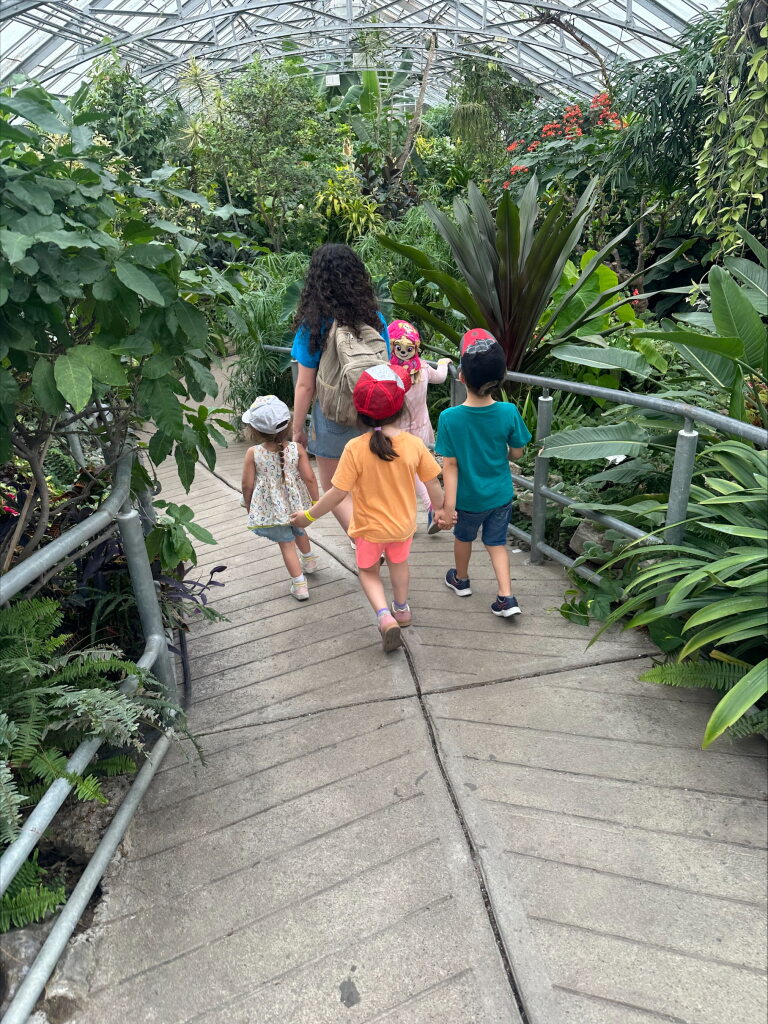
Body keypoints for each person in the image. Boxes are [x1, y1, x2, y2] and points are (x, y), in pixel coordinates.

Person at [291, 364, 445, 652]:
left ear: (359, 413)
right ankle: (402, 609)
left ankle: (384, 617)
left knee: (370, 573)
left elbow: (337, 494)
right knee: (400, 566)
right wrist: (441, 509)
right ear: (401, 408)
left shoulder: (354, 449)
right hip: (402, 527)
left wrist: (308, 516)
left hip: (367, 530)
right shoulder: (413, 444)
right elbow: (433, 483)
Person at [291, 243, 390, 535]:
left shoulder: (313, 325)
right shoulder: (375, 319)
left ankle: (363, 543)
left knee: (334, 488)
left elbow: (306, 385)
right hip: (371, 413)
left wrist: (298, 430)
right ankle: (374, 537)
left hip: (332, 415)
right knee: (366, 482)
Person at [435, 329, 531, 617]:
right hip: (500, 495)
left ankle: (461, 580)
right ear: (500, 378)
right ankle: (506, 597)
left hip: (468, 500)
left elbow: (449, 465)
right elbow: (517, 452)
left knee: (463, 538)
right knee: (497, 543)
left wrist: (448, 506)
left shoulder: (450, 418)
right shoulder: (509, 411)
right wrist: (504, 453)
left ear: (461, 376)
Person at [241, 395, 320, 602]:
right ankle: (310, 562)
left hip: (273, 509)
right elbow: (310, 478)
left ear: (255, 430)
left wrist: (249, 504)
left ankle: (300, 585)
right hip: (296, 504)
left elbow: (247, 484)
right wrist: (315, 503)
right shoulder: (297, 449)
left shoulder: (253, 453)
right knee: (299, 529)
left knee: (286, 544)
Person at [388, 319, 452, 534]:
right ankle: (433, 507)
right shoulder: (423, 367)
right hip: (422, 430)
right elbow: (441, 378)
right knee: (424, 471)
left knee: (403, 477)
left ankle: (423, 511)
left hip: (397, 432)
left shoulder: (388, 372)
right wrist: (443, 363)